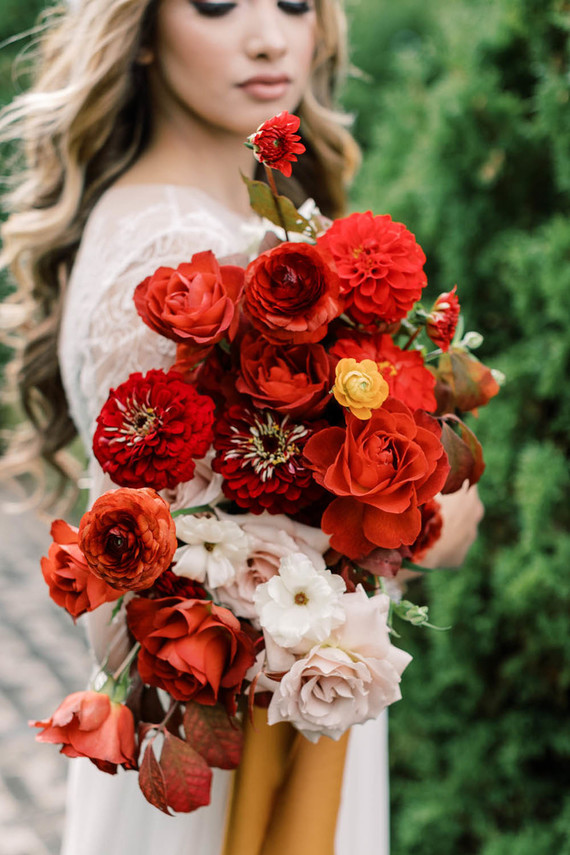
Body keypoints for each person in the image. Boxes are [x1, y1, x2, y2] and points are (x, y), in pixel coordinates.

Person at [0, 1, 483, 853]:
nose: (268, 36)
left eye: (294, 2)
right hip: (232, 770)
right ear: (142, 31)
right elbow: (154, 590)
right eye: (218, 3)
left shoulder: (221, 225)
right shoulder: (176, 253)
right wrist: (422, 523)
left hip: (282, 726)